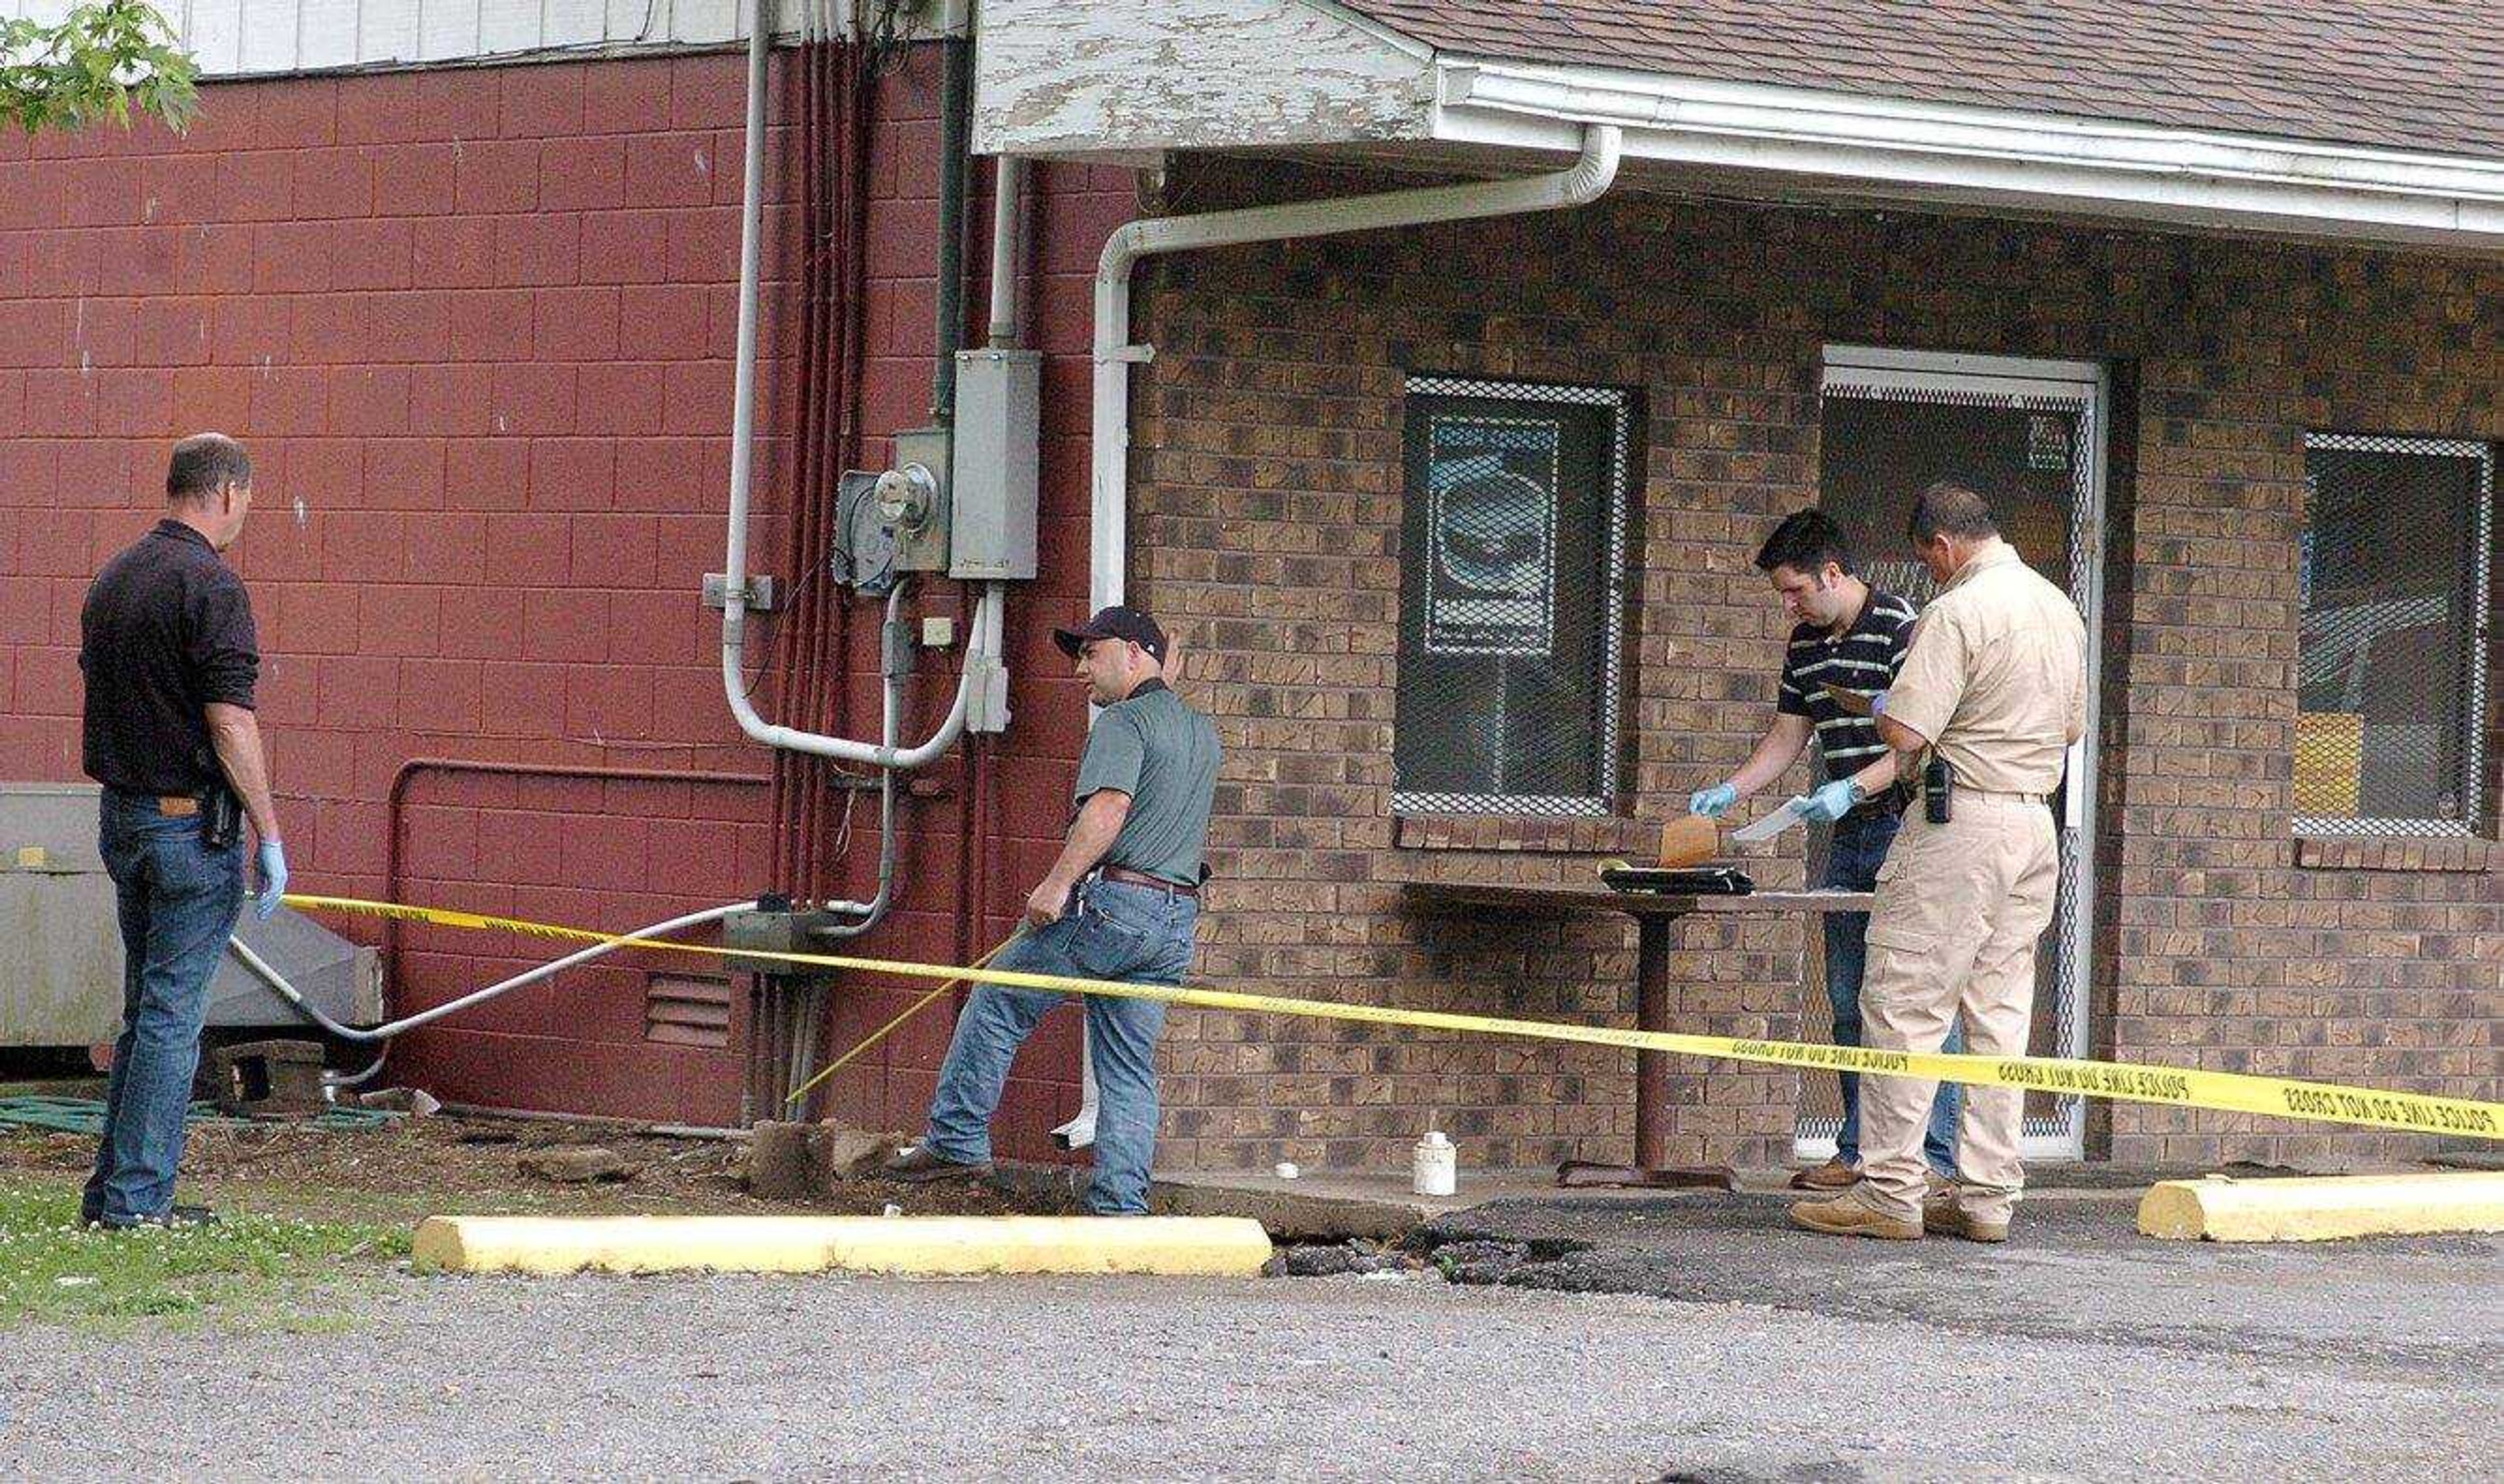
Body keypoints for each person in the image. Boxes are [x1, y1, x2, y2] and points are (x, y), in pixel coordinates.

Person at [1789, 481, 2085, 1243]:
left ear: (1943, 548)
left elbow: (1907, 734)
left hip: (1961, 825)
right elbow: (2073, 728)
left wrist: (1884, 704)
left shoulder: (1957, 611)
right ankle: (1986, 1196)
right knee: (1999, 1015)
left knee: (1903, 1003)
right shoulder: (2058, 606)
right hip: (2033, 821)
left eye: (1930, 563)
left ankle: (1892, 1189)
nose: (1932, 575)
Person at [884, 605, 1219, 1214]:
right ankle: (1120, 1207)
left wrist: (1056, 885)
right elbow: (1159, 773)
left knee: (998, 999)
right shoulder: (1200, 731)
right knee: (1127, 1066)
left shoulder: (1122, 725)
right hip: (1174, 922)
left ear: (1134, 654)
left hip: (1114, 907)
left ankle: (957, 1139)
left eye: (1092, 654)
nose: (1079, 670)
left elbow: (1109, 809)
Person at [1689, 509, 1960, 1193]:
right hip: (1850, 835)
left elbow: (1918, 743)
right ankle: (1857, 1147)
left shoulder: (1904, 625)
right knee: (1847, 998)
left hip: (1909, 824)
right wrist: (1731, 788)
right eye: (1782, 594)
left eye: (1795, 591)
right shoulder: (1805, 644)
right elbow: (1788, 737)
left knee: (1918, 999)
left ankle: (1934, 1158)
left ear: (1832, 573)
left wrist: (1850, 787)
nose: (1789, 605)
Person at [78, 433, 288, 1231]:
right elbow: (230, 720)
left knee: (146, 1010)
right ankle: (137, 1203)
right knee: (172, 1016)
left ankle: (113, 1194)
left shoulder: (114, 578)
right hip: (188, 829)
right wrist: (268, 831)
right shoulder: (212, 586)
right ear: (227, 493)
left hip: (123, 818)